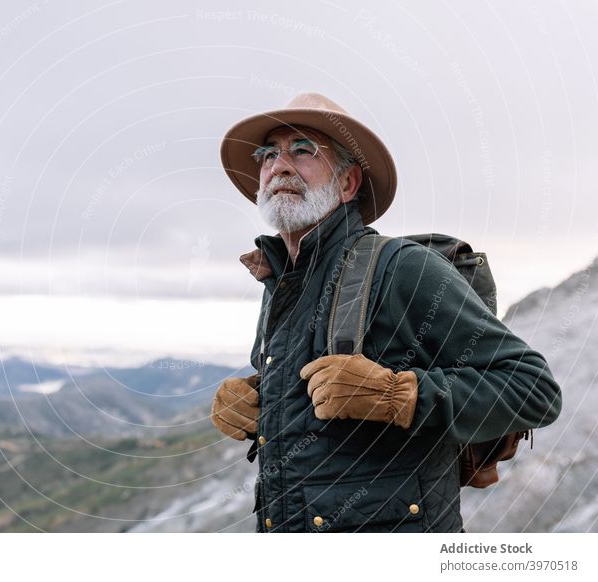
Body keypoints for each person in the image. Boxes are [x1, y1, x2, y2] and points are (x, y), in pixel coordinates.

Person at [210, 92, 562, 532]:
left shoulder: (403, 269)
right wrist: (259, 398)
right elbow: (326, 394)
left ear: (347, 184)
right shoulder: (281, 284)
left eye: (302, 150)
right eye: (268, 154)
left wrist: (398, 395)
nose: (278, 165)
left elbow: (533, 388)